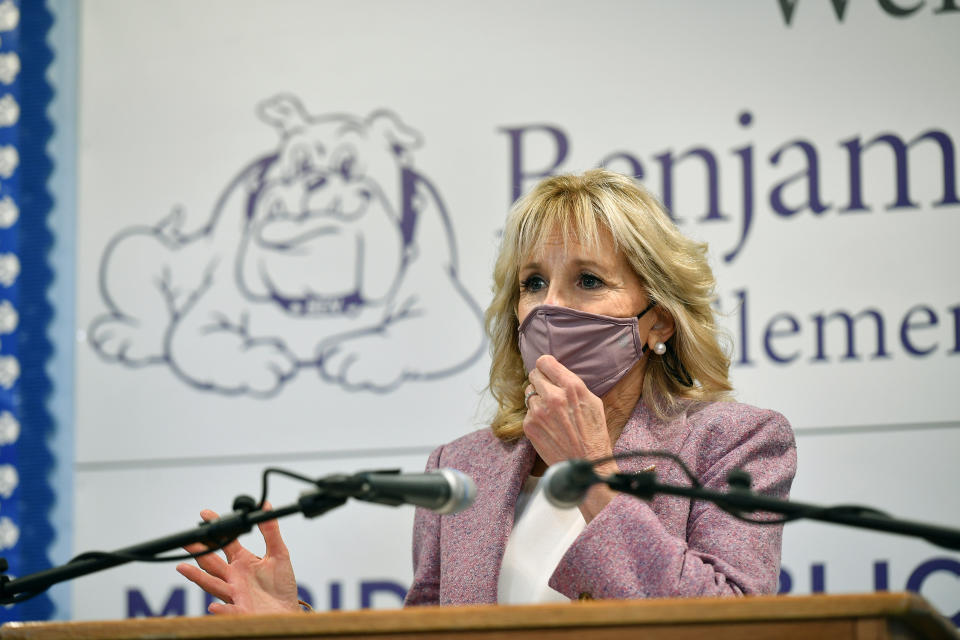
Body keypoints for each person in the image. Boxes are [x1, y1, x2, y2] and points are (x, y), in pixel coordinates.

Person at [177, 169, 797, 612]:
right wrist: (295, 629)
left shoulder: (734, 442)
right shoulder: (461, 468)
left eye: (587, 280)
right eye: (533, 283)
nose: (550, 308)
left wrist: (593, 475)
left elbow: (733, 624)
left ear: (657, 319)